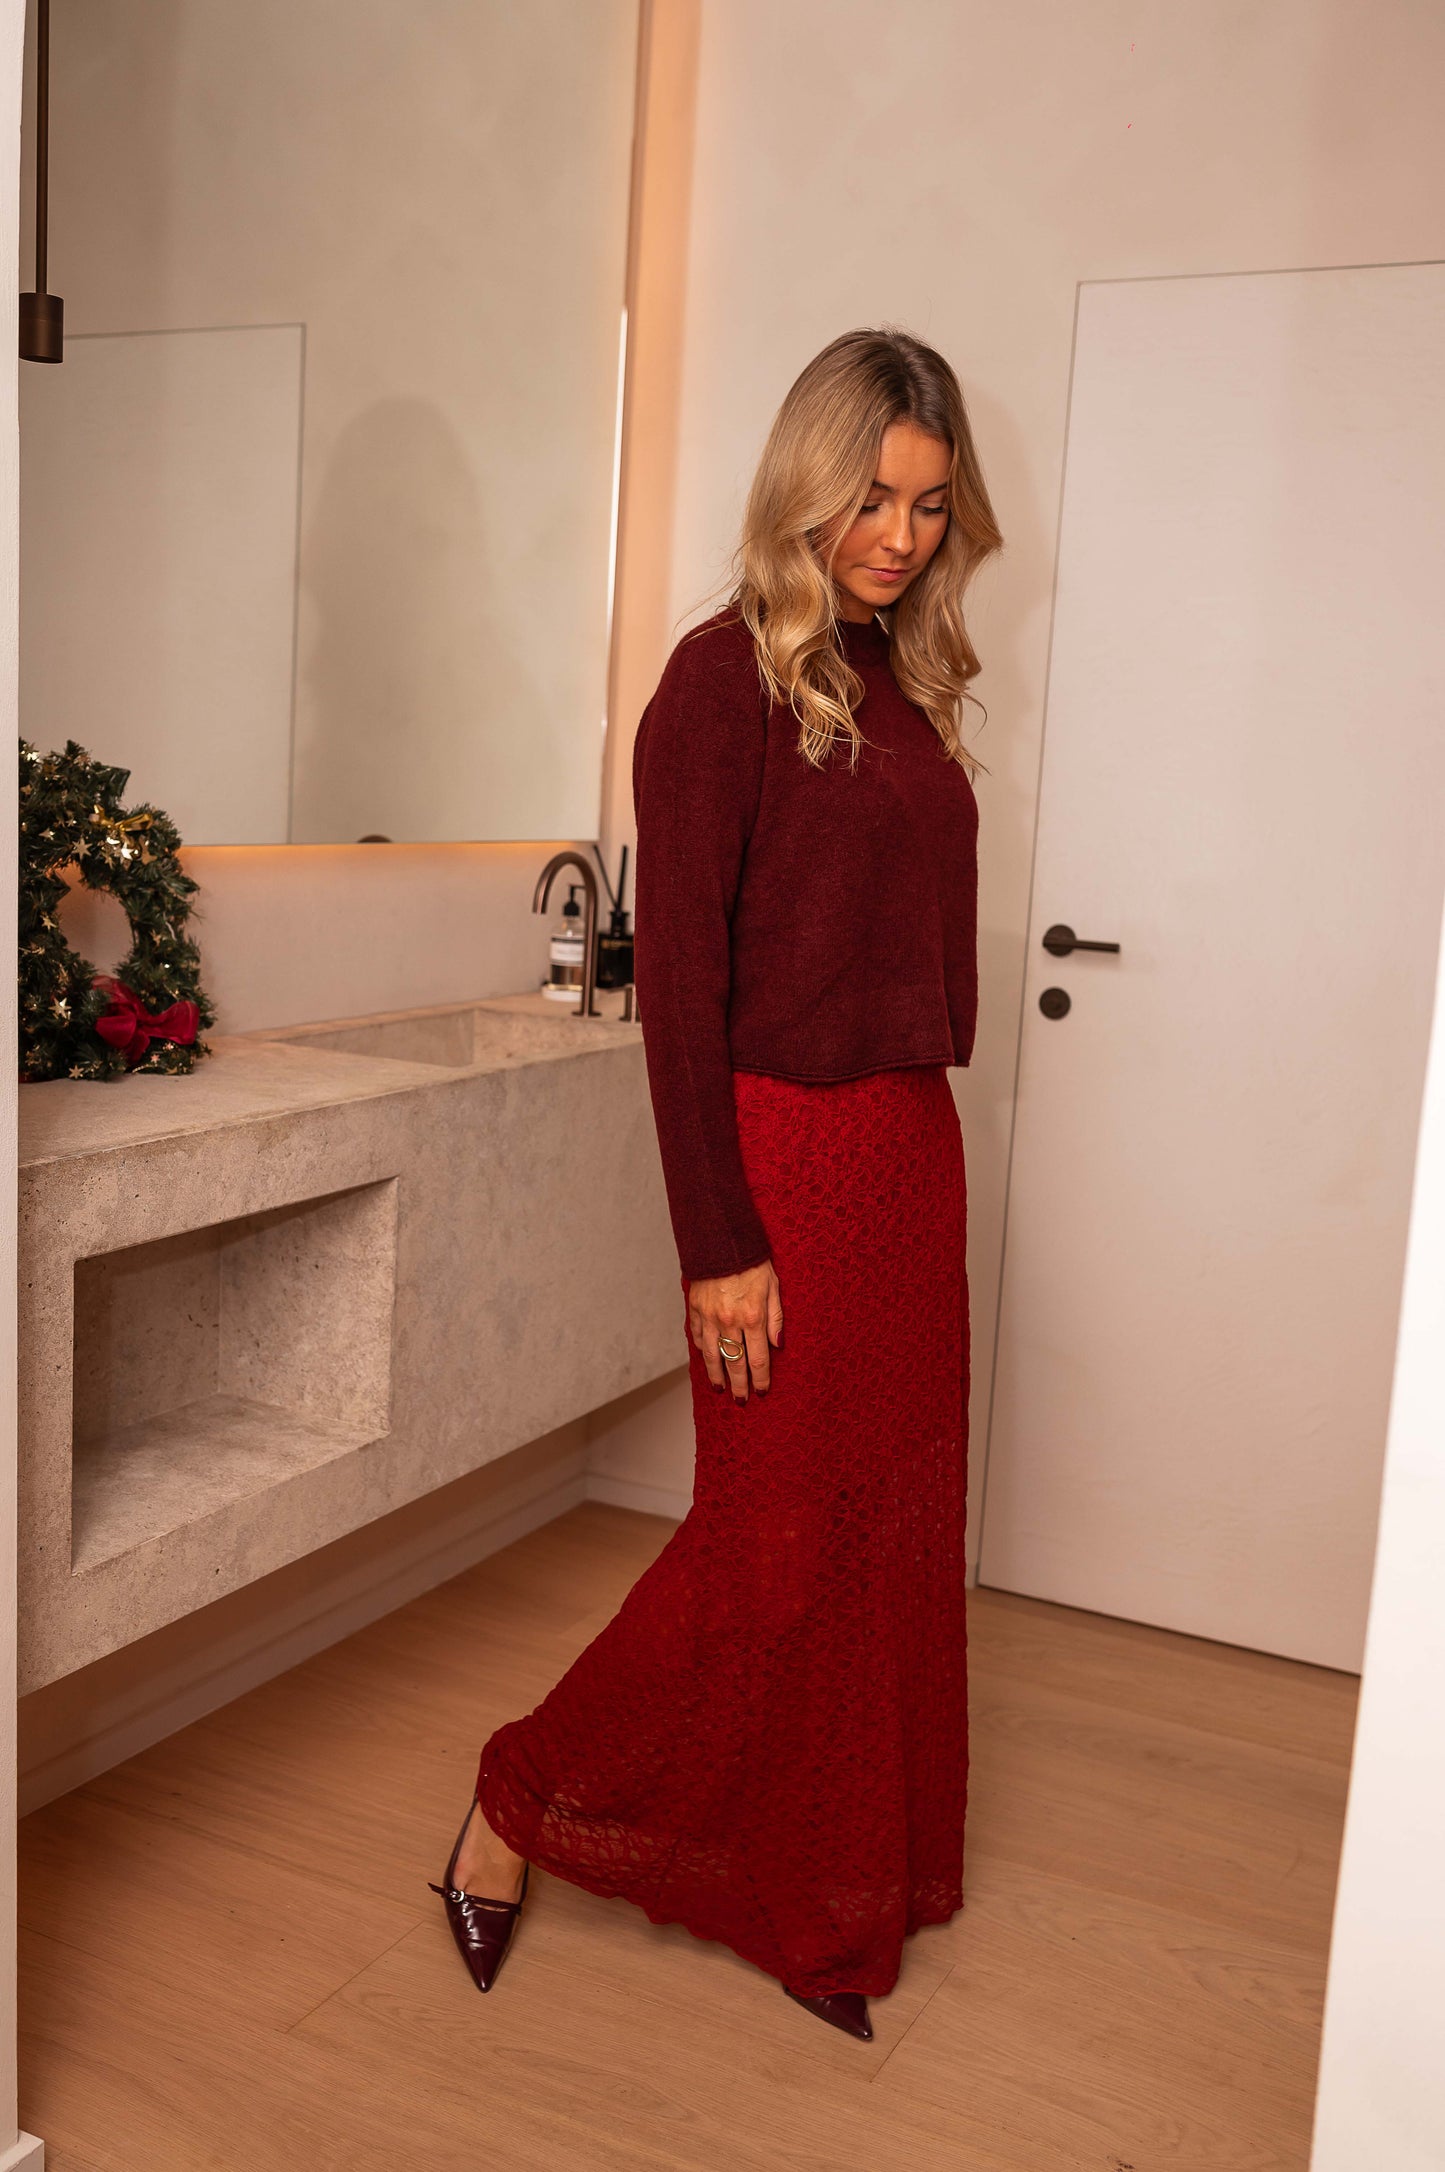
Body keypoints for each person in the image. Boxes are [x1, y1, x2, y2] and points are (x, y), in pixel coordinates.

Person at [429, 325, 1003, 2044]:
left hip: (906, 1151)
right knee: (770, 1544)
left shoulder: (897, 679)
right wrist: (719, 1243)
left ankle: (833, 1890)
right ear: (804, 485)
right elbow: (679, 994)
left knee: (885, 1532)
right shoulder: (715, 682)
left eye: (928, 505)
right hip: (784, 1163)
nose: (897, 536)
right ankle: (517, 1800)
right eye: (871, 499)